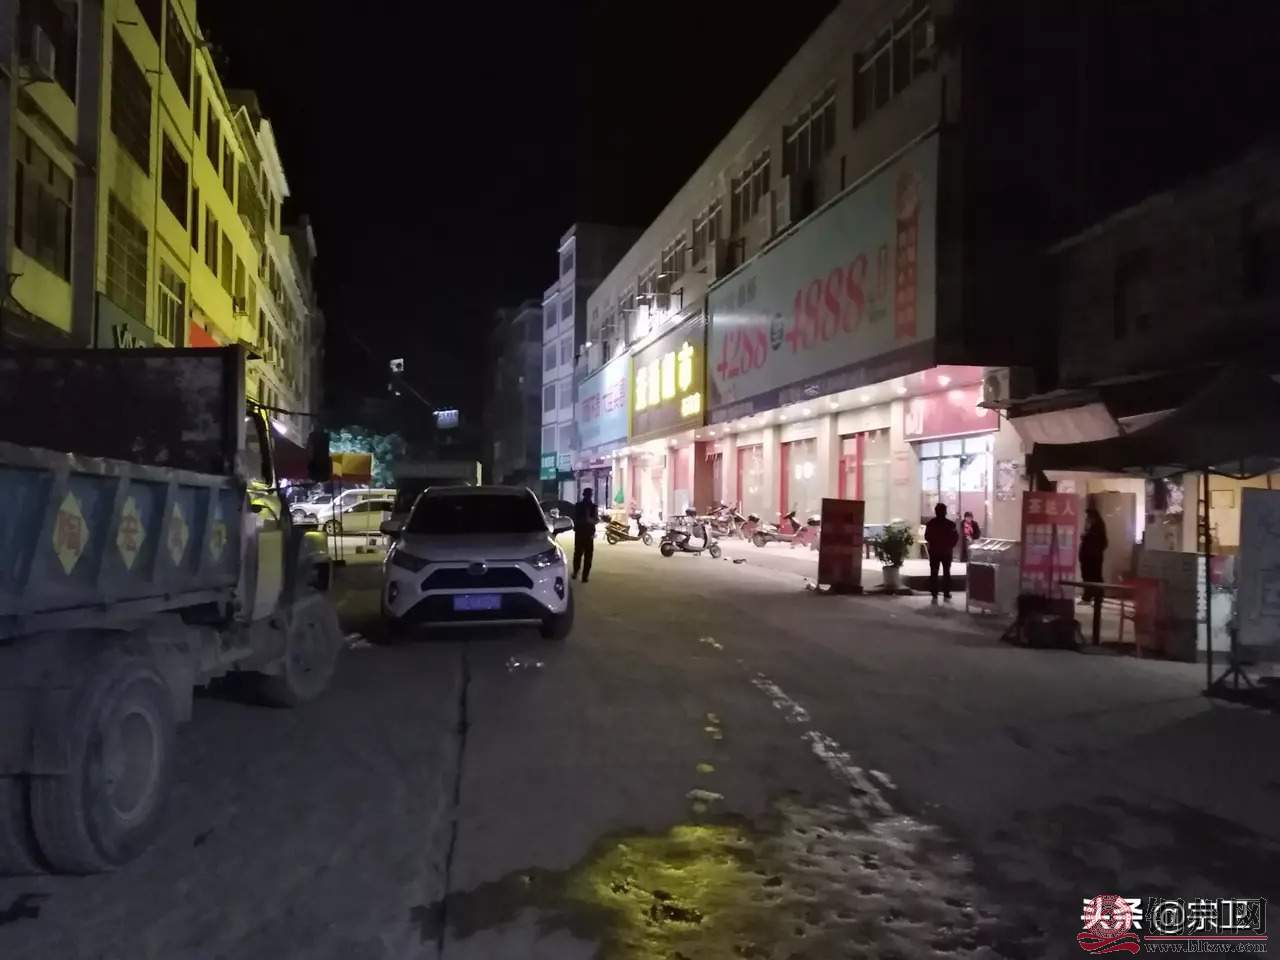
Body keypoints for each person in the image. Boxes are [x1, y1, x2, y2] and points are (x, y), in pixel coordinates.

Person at [924, 503, 959, 601]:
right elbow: (955, 537)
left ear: (935, 512)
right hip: (946, 552)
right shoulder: (951, 524)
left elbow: (927, 537)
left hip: (934, 551)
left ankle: (934, 592)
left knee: (934, 572)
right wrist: (950, 546)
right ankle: (946, 592)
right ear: (945, 512)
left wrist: (934, 543)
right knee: (946, 572)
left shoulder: (930, 523)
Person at [1079, 507, 1108, 603]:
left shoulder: (1097, 528)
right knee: (1092, 577)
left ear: (1093, 517)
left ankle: (1093, 597)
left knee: (1092, 577)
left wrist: (1085, 537)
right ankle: (1094, 596)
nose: (1087, 518)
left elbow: (1101, 543)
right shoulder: (1095, 527)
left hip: (1092, 558)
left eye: (1089, 516)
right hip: (1092, 557)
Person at [572, 488, 599, 582]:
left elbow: (574, 519)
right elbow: (596, 520)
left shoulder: (579, 505)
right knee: (586, 555)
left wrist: (588, 520)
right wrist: (589, 520)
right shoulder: (591, 506)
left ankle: (577, 573)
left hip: (582, 533)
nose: (588, 496)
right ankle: (583, 575)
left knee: (579, 554)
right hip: (586, 533)